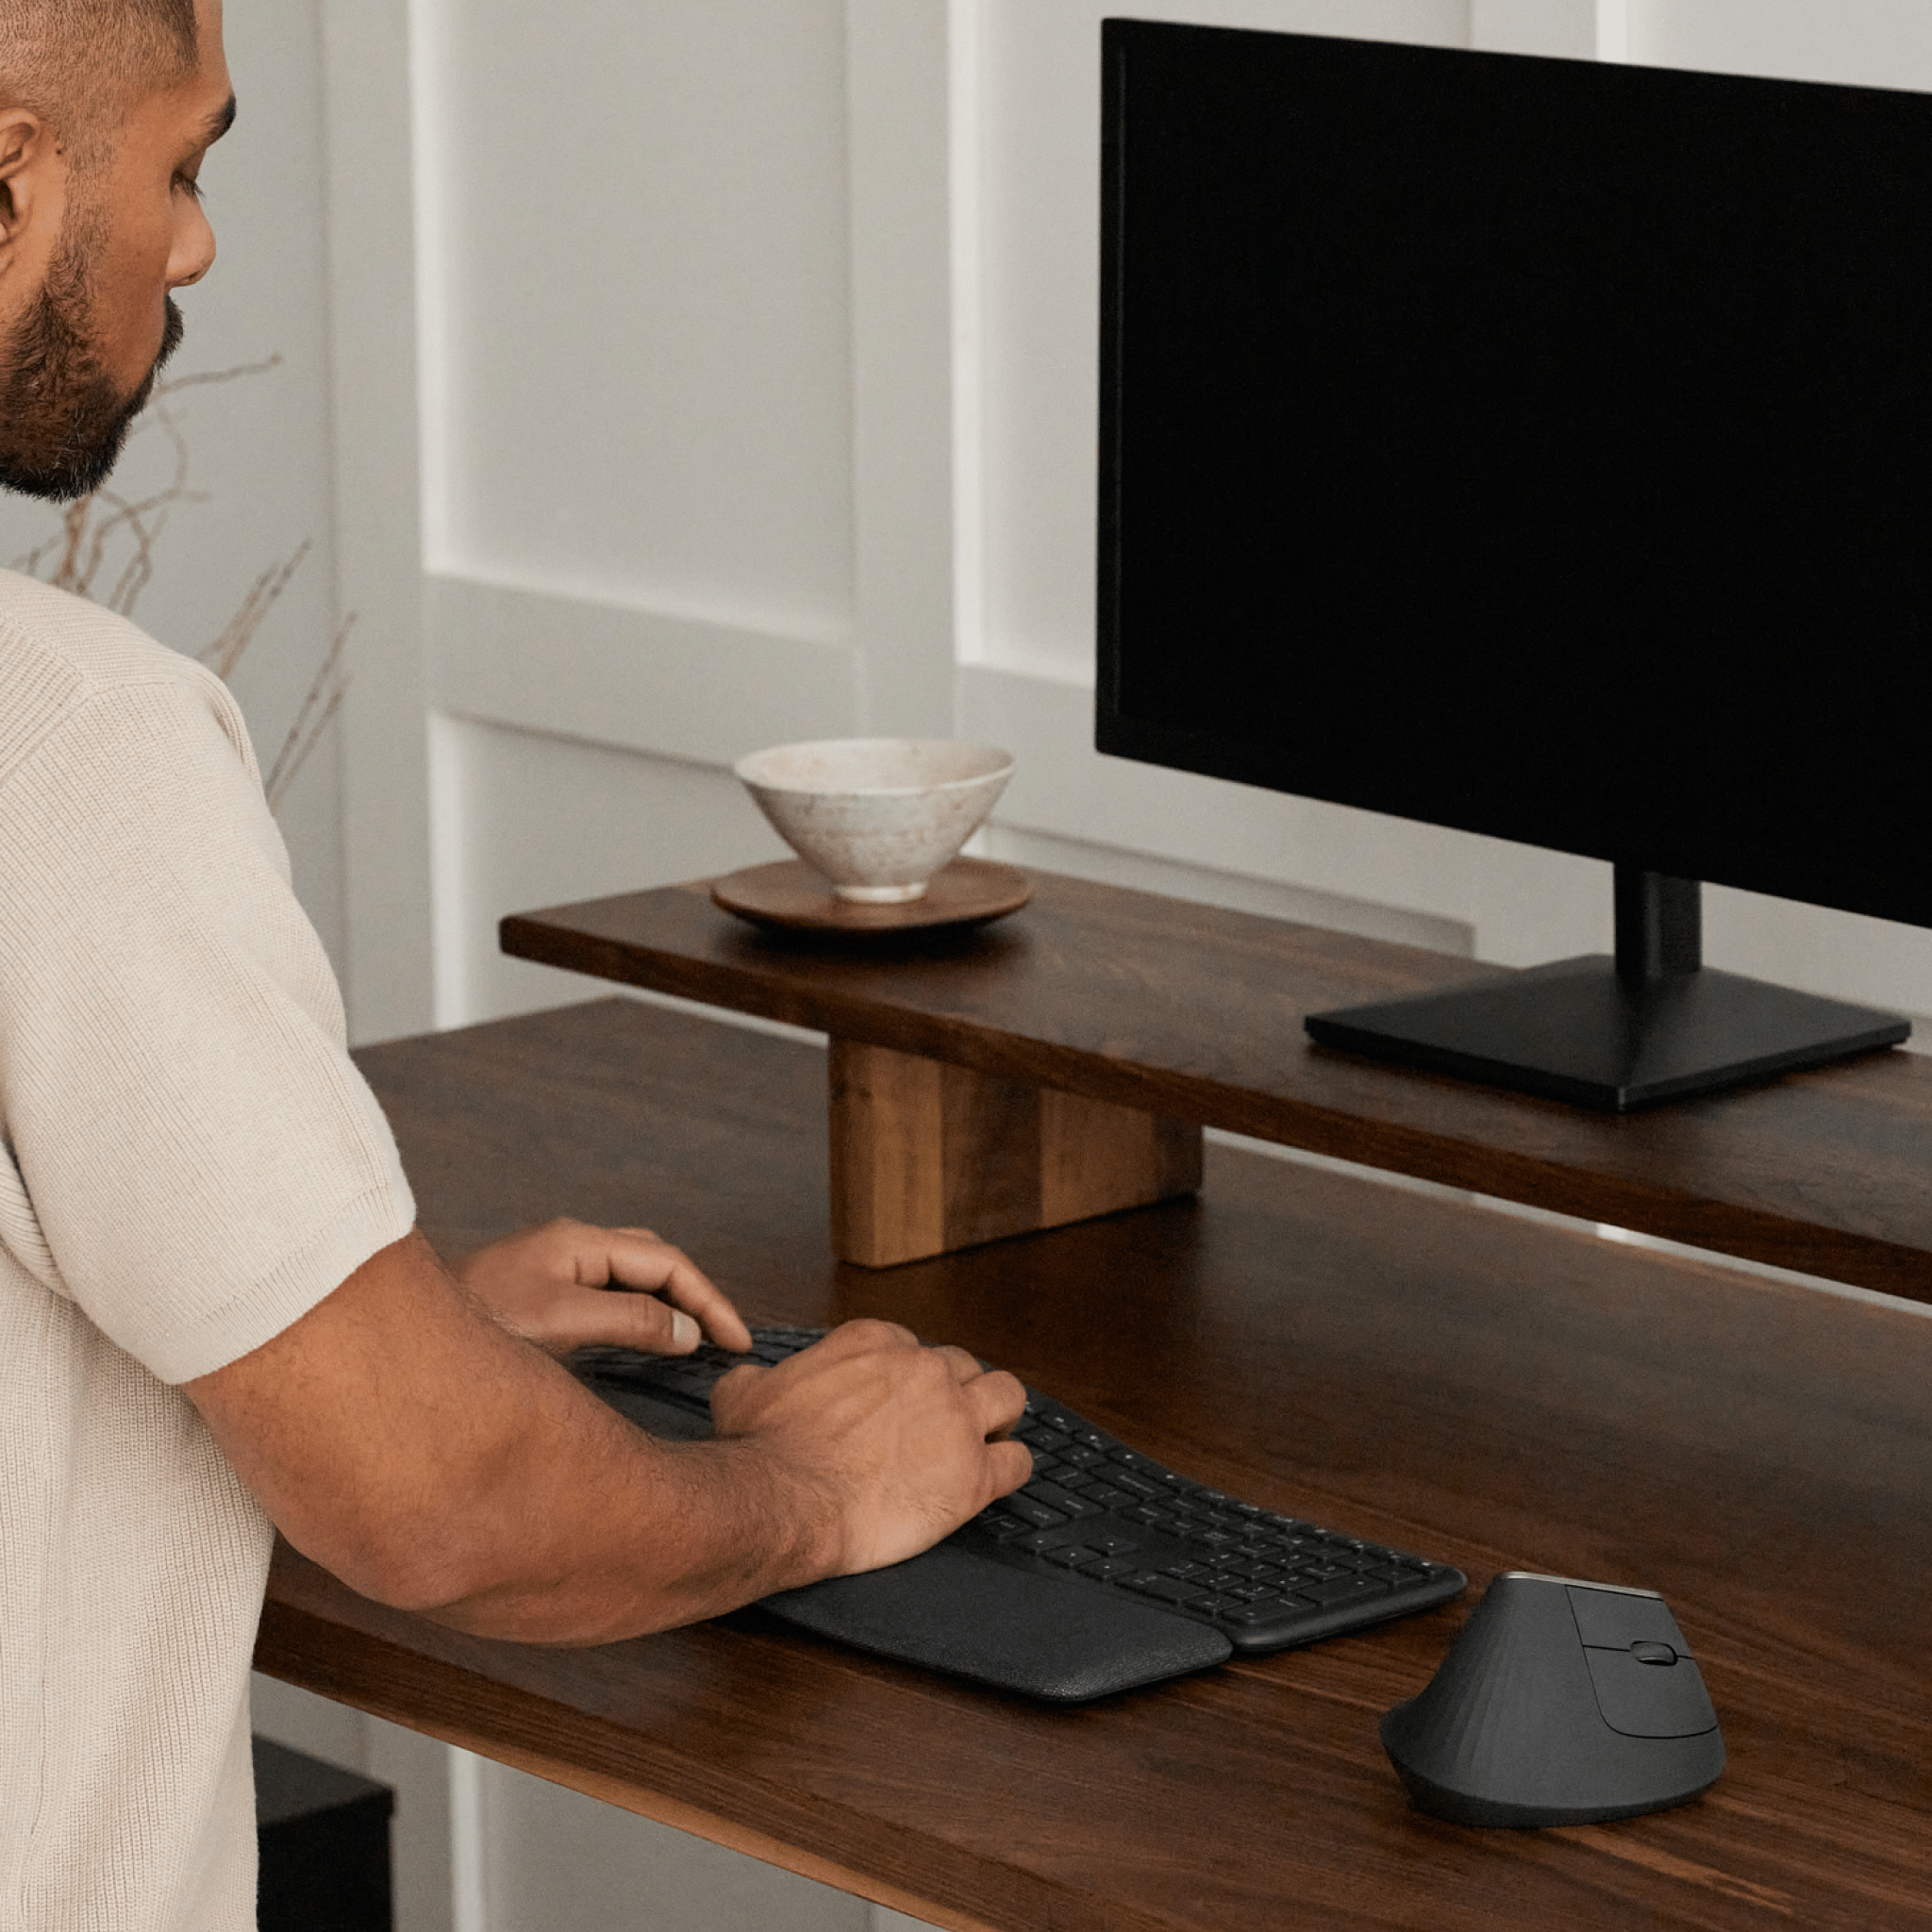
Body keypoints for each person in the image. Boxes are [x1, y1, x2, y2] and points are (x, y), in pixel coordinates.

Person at [0, 4, 1030, 1925]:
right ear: (8, 174)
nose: (202, 242)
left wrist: (352, 1335)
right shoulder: (65, 752)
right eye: (185, 162)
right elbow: (443, 1505)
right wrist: (811, 1490)